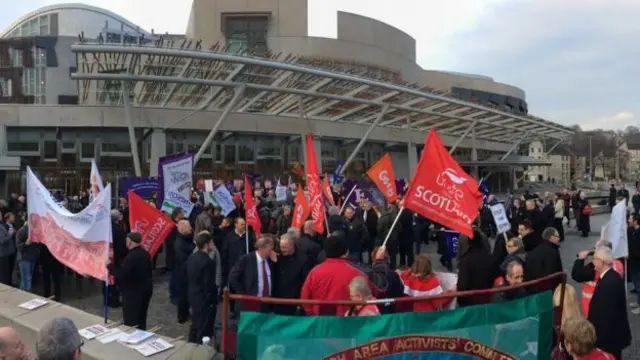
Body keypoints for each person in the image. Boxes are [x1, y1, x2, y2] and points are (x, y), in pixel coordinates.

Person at [300, 232, 388, 315]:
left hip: (322, 323)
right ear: (346, 251)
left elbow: (305, 298)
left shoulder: (314, 272)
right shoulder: (357, 271)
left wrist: (313, 315)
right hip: (348, 322)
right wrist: (379, 261)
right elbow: (380, 286)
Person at [587, 247, 631, 359]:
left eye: (594, 259)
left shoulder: (609, 282)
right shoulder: (609, 277)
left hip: (609, 341)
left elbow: (607, 316)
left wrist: (599, 342)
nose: (592, 262)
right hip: (612, 338)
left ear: (601, 262)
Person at [108, 232, 153, 330]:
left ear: (130, 242)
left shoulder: (132, 257)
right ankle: (141, 332)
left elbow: (121, 274)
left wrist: (110, 267)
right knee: (141, 315)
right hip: (145, 288)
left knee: (131, 318)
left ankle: (133, 335)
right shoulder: (144, 253)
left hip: (133, 292)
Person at [572, 239, 624, 316]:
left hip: (591, 306)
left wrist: (580, 259)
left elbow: (577, 275)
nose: (594, 251)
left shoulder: (596, 267)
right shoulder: (618, 264)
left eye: (596, 249)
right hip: (612, 305)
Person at [228, 235, 277, 312]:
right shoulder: (246, 260)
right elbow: (233, 277)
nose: (271, 251)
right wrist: (243, 294)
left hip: (266, 303)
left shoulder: (270, 261)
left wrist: (275, 263)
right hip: (249, 302)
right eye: (270, 249)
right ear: (261, 249)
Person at [186, 231, 218, 344]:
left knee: (195, 325)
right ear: (206, 244)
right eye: (211, 242)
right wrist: (212, 301)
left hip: (193, 296)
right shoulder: (208, 262)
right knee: (204, 329)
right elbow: (208, 284)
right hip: (204, 300)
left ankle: (191, 346)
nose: (213, 245)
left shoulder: (192, 257)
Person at [524, 227, 563, 293]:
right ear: (551, 237)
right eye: (557, 236)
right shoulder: (552, 252)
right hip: (547, 290)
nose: (559, 239)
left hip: (533, 288)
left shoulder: (534, 251)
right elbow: (554, 274)